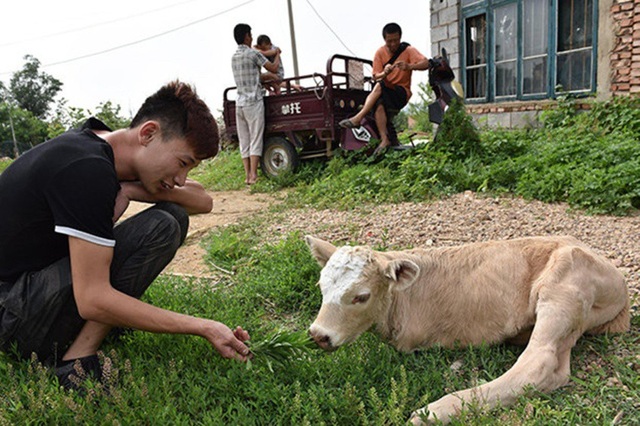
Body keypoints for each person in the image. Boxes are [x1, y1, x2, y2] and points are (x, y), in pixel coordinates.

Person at [0, 80, 251, 391]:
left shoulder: (97, 145)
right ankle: (75, 362)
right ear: (147, 134)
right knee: (159, 226)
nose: (182, 178)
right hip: (12, 314)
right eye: (183, 162)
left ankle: (80, 341)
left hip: (29, 293)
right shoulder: (86, 168)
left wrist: (130, 188)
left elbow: (203, 201)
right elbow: (92, 300)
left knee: (171, 216)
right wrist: (204, 327)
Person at [339, 22, 430, 154]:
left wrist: (410, 67)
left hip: (401, 93)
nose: (393, 44)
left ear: (400, 37)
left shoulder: (408, 50)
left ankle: (358, 118)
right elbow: (376, 76)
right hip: (385, 91)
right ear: (384, 40)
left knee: (380, 86)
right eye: (389, 41)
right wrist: (385, 73)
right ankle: (384, 139)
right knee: (379, 102)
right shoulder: (380, 53)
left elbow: (426, 63)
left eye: (396, 41)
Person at [232, 23, 281, 185]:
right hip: (253, 101)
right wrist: (278, 54)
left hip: (239, 103)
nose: (252, 37)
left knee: (244, 140)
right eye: (250, 34)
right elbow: (273, 68)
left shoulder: (234, 56)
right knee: (255, 138)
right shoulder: (253, 54)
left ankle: (247, 176)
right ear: (246, 36)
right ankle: (253, 174)